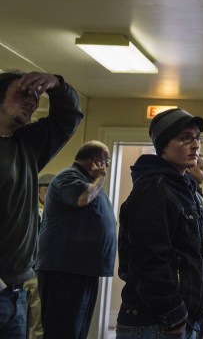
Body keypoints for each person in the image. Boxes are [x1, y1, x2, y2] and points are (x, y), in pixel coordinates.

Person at [0, 70, 83, 338]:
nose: (32, 101)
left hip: (15, 291)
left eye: (36, 96)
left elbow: (68, 117)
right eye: (23, 93)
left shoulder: (26, 144)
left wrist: (56, 85)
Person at [116, 108, 203, 338]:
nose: (196, 145)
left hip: (181, 320)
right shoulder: (154, 189)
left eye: (197, 137)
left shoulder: (183, 188)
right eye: (185, 137)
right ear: (163, 145)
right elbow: (149, 260)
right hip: (156, 322)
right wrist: (173, 312)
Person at [36, 140, 117, 339]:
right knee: (62, 328)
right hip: (65, 268)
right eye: (105, 162)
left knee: (77, 328)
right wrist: (100, 179)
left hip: (83, 267)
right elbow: (83, 198)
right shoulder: (68, 177)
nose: (106, 167)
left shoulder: (86, 180)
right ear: (96, 161)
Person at [25, 173, 55, 339]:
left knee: (37, 322)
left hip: (41, 272)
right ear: (37, 191)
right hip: (24, 270)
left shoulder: (55, 216)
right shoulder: (29, 212)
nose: (49, 193)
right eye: (46, 189)